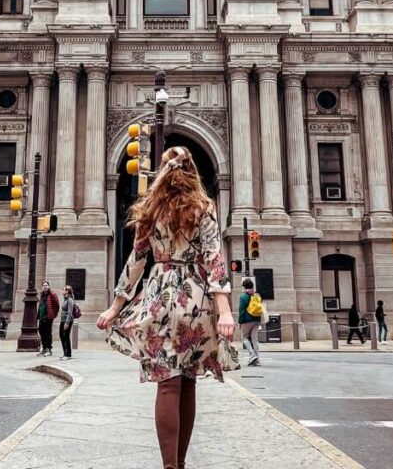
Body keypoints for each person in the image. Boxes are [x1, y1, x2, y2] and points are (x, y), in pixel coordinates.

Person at [97, 145, 239, 469]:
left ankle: (169, 467)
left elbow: (137, 261)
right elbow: (213, 257)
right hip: (196, 299)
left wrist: (116, 307)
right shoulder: (203, 206)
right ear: (192, 172)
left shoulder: (150, 210)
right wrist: (225, 310)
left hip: (159, 297)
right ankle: (181, 463)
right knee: (188, 382)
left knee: (167, 383)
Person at [238, 278, 262, 366]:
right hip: (256, 320)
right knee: (255, 340)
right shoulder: (256, 295)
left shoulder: (243, 296)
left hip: (246, 320)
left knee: (244, 338)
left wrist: (240, 322)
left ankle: (252, 355)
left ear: (244, 287)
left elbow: (241, 310)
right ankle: (257, 360)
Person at [37, 280, 59, 356]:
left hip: (48, 317)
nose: (45, 287)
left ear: (48, 286)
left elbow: (56, 305)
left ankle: (49, 349)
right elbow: (40, 305)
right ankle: (44, 348)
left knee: (47, 333)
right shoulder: (42, 295)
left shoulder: (52, 294)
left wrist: (53, 315)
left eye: (46, 285)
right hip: (41, 317)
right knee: (41, 332)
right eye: (43, 285)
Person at [59, 284, 75, 359]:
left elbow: (70, 312)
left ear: (67, 291)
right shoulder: (65, 299)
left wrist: (67, 322)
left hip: (67, 320)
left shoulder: (70, 300)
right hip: (63, 320)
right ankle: (65, 353)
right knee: (62, 336)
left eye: (64, 289)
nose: (62, 291)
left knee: (66, 336)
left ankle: (68, 354)